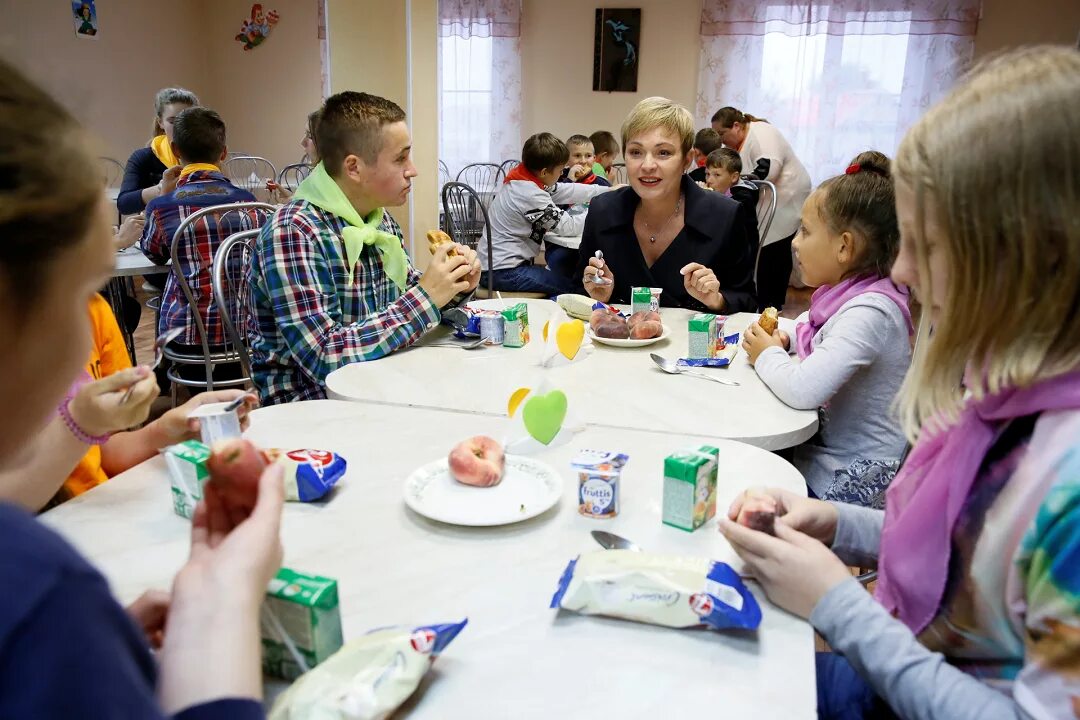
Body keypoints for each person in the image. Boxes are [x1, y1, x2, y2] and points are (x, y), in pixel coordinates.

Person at [721, 46, 1080, 720]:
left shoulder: (1068, 485)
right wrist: (839, 525)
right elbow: (964, 544)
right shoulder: (995, 393)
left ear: (1032, 254)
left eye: (928, 245)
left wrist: (837, 605)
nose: (904, 273)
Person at [0, 55, 280, 719]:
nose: (95, 324)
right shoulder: (40, 588)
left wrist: (156, 429)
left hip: (189, 346)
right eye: (83, 292)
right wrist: (226, 603)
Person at [248, 91, 481, 406]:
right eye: (401, 158)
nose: (413, 170)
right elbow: (324, 356)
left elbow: (401, 293)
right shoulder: (294, 233)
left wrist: (454, 283)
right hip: (313, 406)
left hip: (378, 379)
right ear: (354, 168)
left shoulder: (376, 219)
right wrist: (426, 297)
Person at [741, 153, 912, 505]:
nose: (794, 242)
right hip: (827, 451)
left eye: (805, 231)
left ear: (844, 247)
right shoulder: (847, 296)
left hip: (855, 474)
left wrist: (768, 354)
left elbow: (803, 389)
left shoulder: (871, 312)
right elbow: (809, 326)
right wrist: (786, 337)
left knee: (746, 484)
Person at [0, 295, 256, 512]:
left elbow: (103, 453)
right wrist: (79, 423)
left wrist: (167, 431)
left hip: (97, 514)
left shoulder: (92, 307)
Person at [578, 97, 756, 313]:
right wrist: (601, 296)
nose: (648, 165)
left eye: (663, 153)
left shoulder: (724, 216)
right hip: (621, 344)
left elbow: (746, 299)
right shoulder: (602, 211)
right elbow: (578, 288)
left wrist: (716, 299)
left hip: (692, 345)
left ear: (686, 159)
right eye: (636, 152)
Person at [139, 107, 257, 368]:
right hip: (245, 333)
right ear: (224, 153)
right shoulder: (249, 202)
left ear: (175, 150)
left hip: (187, 336)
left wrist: (161, 195)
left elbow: (153, 253)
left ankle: (174, 384)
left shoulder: (163, 207)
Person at [480, 132, 613, 295]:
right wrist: (602, 210)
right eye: (560, 170)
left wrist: (609, 191)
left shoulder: (524, 179)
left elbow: (566, 190)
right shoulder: (529, 193)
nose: (562, 174)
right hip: (502, 273)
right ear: (544, 172)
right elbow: (567, 226)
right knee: (575, 288)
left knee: (564, 278)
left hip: (498, 267)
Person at [713, 105, 811, 311]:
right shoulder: (744, 139)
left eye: (723, 133)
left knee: (774, 247)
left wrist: (740, 182)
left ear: (737, 126)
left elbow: (769, 166)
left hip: (787, 195)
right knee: (765, 246)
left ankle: (771, 303)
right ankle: (765, 300)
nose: (722, 140)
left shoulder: (761, 132)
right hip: (770, 196)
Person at [116, 87, 199, 216]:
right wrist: (160, 189)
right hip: (161, 230)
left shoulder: (207, 153)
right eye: (172, 121)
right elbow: (124, 204)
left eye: (187, 120)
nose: (180, 127)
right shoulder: (143, 157)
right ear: (160, 122)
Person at [703, 148, 760, 264]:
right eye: (707, 174)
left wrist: (706, 198)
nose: (709, 180)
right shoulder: (721, 191)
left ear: (734, 177)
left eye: (717, 175)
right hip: (724, 246)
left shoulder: (744, 198)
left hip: (740, 258)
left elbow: (724, 219)